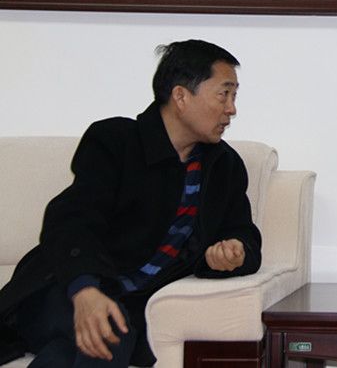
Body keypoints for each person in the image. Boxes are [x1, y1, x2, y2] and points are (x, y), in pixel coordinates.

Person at [0, 39, 262, 367]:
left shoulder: (224, 166)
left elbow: (244, 234)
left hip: (135, 308)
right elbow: (71, 219)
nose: (232, 109)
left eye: (234, 96)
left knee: (77, 350)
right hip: (63, 289)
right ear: (181, 96)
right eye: (224, 94)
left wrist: (234, 252)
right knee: (110, 330)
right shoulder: (115, 141)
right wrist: (85, 291)